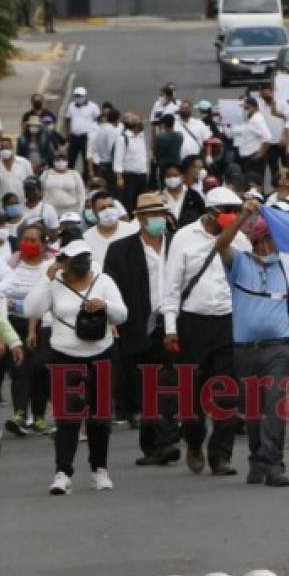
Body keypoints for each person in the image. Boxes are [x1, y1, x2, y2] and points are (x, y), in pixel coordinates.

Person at [24, 239, 127, 494]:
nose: (81, 263)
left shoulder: (103, 280)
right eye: (75, 259)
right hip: (64, 356)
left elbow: (122, 314)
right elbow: (31, 309)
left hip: (100, 354)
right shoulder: (55, 283)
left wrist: (104, 305)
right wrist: (46, 279)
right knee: (67, 417)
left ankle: (99, 469)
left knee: (99, 417)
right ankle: (63, 472)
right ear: (63, 262)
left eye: (85, 257)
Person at [163, 186, 249, 476]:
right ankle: (194, 441)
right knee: (190, 393)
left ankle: (221, 455)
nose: (233, 217)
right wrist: (170, 327)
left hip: (228, 322)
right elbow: (172, 286)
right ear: (211, 212)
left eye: (237, 211)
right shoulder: (184, 238)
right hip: (191, 323)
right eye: (228, 211)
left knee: (226, 394)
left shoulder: (242, 240)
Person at [214, 206, 289, 486]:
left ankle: (274, 464)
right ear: (260, 240)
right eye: (272, 238)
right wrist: (242, 217)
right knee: (253, 411)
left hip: (277, 349)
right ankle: (257, 459)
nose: (276, 244)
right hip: (246, 349)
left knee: (274, 406)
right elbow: (221, 244)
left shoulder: (286, 267)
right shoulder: (240, 263)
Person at [104, 194, 181, 466]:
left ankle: (167, 441)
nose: (157, 219)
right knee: (146, 387)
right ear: (139, 218)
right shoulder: (120, 250)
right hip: (137, 327)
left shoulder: (177, 245)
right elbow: (110, 288)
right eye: (151, 214)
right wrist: (113, 320)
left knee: (168, 386)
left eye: (161, 213)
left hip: (172, 325)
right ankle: (152, 446)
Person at [3, 221, 55, 438]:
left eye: (33, 240)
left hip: (43, 325)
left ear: (43, 244)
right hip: (15, 324)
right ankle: (19, 414)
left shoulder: (50, 267)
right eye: (25, 240)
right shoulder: (10, 266)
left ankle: (40, 416)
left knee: (41, 370)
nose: (28, 244)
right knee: (20, 369)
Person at [83, 191, 137, 265]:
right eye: (102, 208)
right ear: (94, 212)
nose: (108, 210)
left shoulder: (132, 231)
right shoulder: (87, 238)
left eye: (111, 206)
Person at [113, 115, 149, 215]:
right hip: (129, 176)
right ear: (133, 125)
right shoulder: (123, 138)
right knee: (128, 203)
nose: (142, 123)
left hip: (142, 175)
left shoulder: (141, 136)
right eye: (138, 121)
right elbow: (118, 159)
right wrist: (119, 177)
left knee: (142, 203)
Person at [64, 87, 100, 179]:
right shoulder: (71, 106)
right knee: (70, 160)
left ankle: (85, 181)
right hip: (74, 137)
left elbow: (98, 119)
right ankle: (69, 178)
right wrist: (68, 134)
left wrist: (95, 133)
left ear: (85, 96)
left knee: (86, 161)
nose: (78, 98)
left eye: (80, 96)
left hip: (86, 137)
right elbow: (67, 119)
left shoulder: (93, 107)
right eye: (76, 96)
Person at [0, 135, 33, 206]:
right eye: (2, 148)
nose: (4, 150)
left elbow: (31, 186)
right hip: (3, 209)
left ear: (12, 148)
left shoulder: (25, 163)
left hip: (23, 206)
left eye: (6, 147)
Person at [161, 161, 206, 229]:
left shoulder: (194, 196)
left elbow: (203, 216)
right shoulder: (158, 197)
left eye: (175, 175)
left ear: (183, 177)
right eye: (168, 176)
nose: (171, 178)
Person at [41, 152, 86, 218]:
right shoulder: (46, 174)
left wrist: (80, 211)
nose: (61, 162)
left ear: (67, 161)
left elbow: (82, 194)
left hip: (71, 211)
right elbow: (40, 192)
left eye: (63, 159)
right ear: (53, 161)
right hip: (49, 211)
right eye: (58, 160)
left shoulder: (75, 174)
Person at [88, 107, 123, 192]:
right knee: (113, 192)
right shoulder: (113, 131)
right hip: (110, 166)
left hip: (101, 163)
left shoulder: (100, 129)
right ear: (117, 119)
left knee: (102, 190)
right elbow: (113, 150)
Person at [236, 97, 272, 178]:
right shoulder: (250, 119)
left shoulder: (256, 120)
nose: (245, 110)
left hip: (254, 158)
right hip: (247, 157)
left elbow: (267, 137)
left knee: (255, 184)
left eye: (247, 108)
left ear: (254, 107)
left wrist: (260, 154)